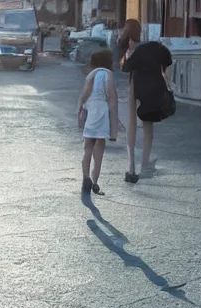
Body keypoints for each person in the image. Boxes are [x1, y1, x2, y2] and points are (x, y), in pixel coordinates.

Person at [119, 19, 173, 183]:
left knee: (132, 127)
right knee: (148, 127)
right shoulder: (155, 46)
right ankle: (145, 163)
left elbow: (125, 68)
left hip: (137, 88)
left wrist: (127, 54)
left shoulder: (132, 49)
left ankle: (131, 166)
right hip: (155, 89)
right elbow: (168, 59)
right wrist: (167, 80)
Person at [78, 50, 118, 195]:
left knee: (87, 148)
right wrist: (114, 128)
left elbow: (84, 95)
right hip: (102, 113)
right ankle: (95, 182)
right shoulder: (108, 74)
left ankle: (85, 177)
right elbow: (112, 99)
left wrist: (80, 111)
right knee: (99, 150)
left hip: (90, 112)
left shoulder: (91, 75)